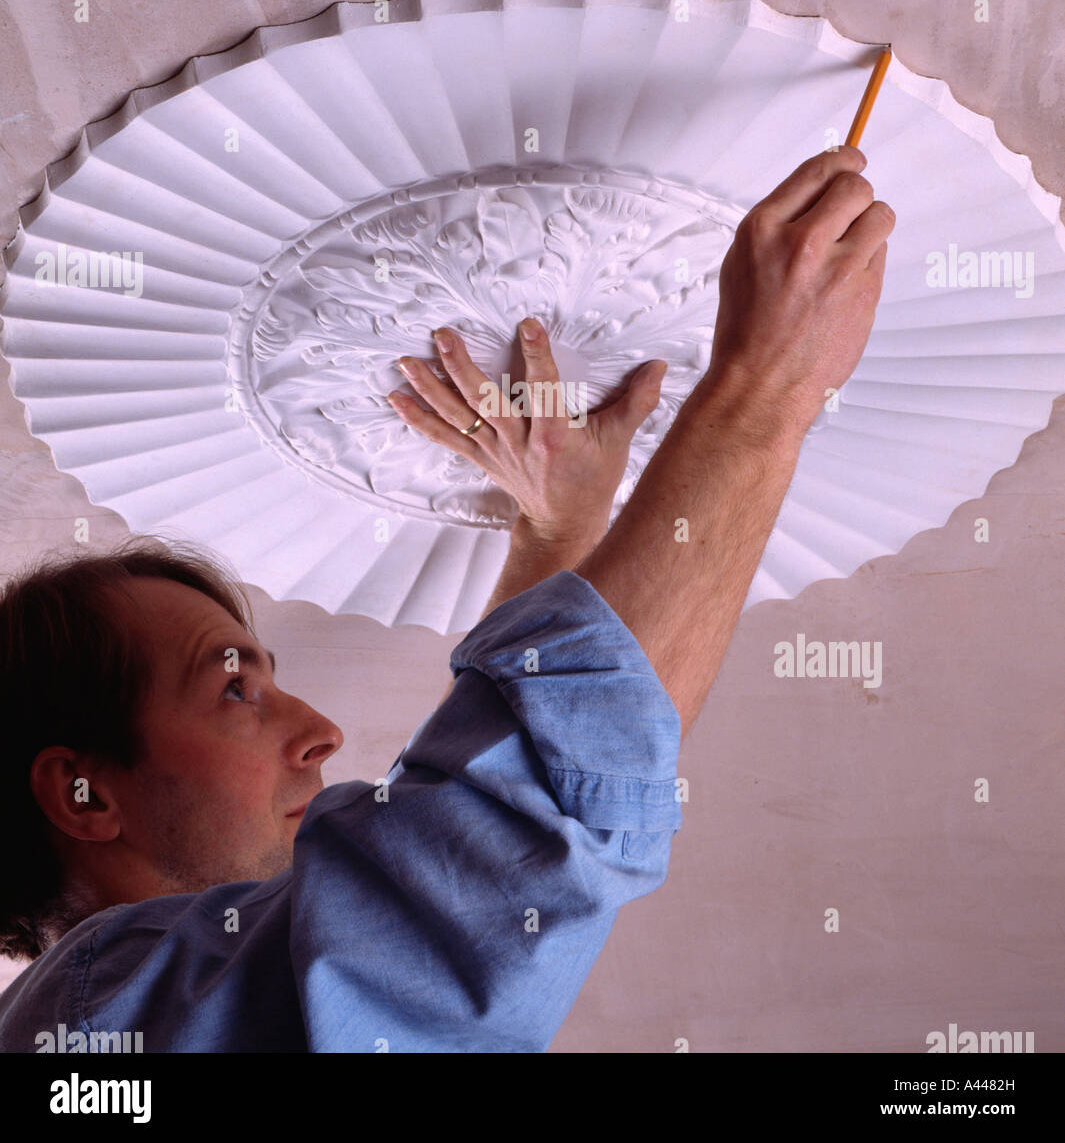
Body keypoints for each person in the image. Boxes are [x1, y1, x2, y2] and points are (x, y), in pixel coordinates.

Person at [0, 147, 892, 1052]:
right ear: (82, 795)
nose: (321, 733)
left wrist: (558, 536)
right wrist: (760, 388)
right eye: (234, 689)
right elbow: (475, 871)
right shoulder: (90, 1019)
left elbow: (452, 890)